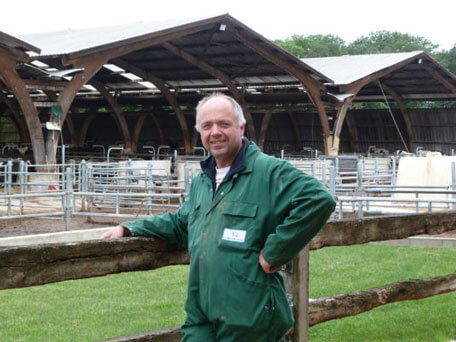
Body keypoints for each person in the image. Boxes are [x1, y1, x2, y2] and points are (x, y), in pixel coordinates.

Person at [101, 93, 336, 341]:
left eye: (224, 124)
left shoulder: (268, 171)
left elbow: (319, 199)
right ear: (200, 132)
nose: (215, 132)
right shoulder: (203, 180)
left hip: (251, 317)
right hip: (201, 314)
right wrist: (129, 228)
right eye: (207, 126)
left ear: (241, 127)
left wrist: (276, 251)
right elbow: (182, 223)